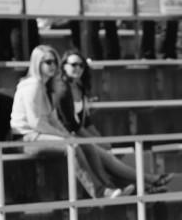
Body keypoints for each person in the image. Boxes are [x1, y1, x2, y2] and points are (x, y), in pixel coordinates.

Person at [10, 45, 125, 198]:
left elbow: (54, 119)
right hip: (26, 138)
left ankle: (109, 188)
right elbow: (36, 123)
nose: (53, 66)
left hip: (40, 135)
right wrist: (64, 137)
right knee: (72, 146)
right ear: (37, 63)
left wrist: (66, 135)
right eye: (48, 62)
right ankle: (98, 192)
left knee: (86, 145)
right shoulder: (33, 85)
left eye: (55, 62)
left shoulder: (47, 86)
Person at [53, 48, 173, 192]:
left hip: (80, 135)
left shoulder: (79, 87)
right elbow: (72, 125)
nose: (78, 68)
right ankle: (150, 180)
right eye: (73, 65)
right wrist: (96, 142)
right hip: (69, 136)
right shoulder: (62, 90)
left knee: (108, 157)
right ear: (64, 65)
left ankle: (146, 186)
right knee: (107, 159)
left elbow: (86, 121)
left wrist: (100, 140)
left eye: (81, 65)